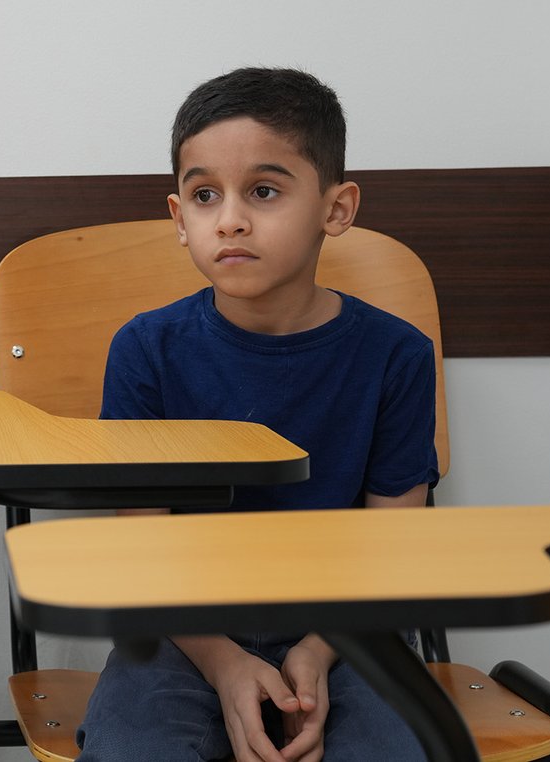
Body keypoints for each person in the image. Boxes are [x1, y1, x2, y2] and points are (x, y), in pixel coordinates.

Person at [75, 67, 438, 762]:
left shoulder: (397, 355)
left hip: (350, 629)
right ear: (179, 219)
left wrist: (318, 651)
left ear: (337, 209)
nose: (230, 219)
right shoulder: (146, 349)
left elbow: (394, 547)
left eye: (264, 191)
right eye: (204, 195)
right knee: (129, 750)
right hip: (184, 632)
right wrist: (224, 663)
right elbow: (143, 551)